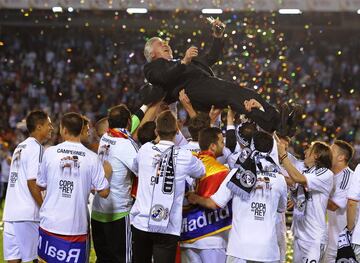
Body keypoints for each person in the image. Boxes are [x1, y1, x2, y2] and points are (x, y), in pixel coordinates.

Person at [142, 18, 299, 133]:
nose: (165, 44)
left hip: (207, 84)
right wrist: (183, 61)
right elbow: (163, 78)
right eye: (160, 44)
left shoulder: (183, 61)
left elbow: (211, 58)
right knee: (234, 96)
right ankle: (277, 124)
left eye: (165, 42)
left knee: (246, 95)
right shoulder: (152, 67)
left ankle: (279, 122)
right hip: (195, 90)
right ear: (152, 53)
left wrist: (217, 36)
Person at [188, 131, 287, 262]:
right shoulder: (280, 180)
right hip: (267, 251)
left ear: (251, 148)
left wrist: (195, 198)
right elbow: (281, 208)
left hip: (239, 250)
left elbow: (215, 204)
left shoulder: (236, 174)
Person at [130, 110, 205, 263]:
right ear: (177, 130)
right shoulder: (184, 156)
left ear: (156, 131)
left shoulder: (144, 150)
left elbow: (135, 168)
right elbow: (201, 171)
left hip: (141, 223)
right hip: (167, 225)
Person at [36, 112, 110, 263]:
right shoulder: (92, 158)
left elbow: (40, 184)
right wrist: (106, 173)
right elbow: (104, 192)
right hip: (75, 228)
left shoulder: (49, 153)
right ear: (82, 129)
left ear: (63, 129)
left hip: (49, 224)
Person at [2, 110, 53, 263]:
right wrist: (45, 210)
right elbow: (32, 183)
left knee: (13, 260)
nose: (51, 128)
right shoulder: (36, 148)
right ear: (39, 127)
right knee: (37, 259)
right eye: (48, 125)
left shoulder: (20, 147)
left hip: (11, 214)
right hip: (27, 215)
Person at [92, 105, 139, 263]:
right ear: (127, 122)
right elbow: (143, 170)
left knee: (103, 259)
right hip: (118, 213)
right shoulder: (126, 144)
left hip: (98, 212)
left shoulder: (105, 138)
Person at [276, 139, 333, 263]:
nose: (305, 152)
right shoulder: (306, 170)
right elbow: (293, 179)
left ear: (316, 155)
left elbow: (297, 178)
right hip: (299, 235)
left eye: (309, 150)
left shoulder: (326, 174)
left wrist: (283, 155)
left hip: (314, 238)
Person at [180, 127, 230, 263]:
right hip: (212, 237)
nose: (223, 146)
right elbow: (217, 203)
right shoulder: (221, 171)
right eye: (221, 142)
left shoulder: (186, 163)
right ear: (213, 146)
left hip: (186, 235)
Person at [323, 140, 354, 263]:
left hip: (344, 243)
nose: (327, 153)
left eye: (331, 151)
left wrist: (311, 193)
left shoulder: (347, 177)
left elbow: (333, 205)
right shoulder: (329, 175)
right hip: (331, 239)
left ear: (341, 157)